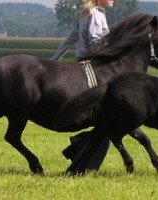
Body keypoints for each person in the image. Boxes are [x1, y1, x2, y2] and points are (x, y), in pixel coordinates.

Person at [51, 0, 115, 172]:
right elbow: (95, 43)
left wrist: (52, 60)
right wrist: (114, 53)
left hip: (80, 63)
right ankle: (80, 148)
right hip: (93, 66)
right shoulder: (95, 15)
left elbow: (69, 40)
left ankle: (79, 147)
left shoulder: (87, 13)